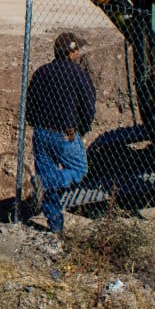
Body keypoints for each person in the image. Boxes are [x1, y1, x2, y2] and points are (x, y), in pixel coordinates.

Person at [24, 32, 96, 233]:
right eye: (77, 50)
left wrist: (37, 124)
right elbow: (89, 104)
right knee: (79, 171)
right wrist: (82, 128)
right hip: (66, 134)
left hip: (41, 133)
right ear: (71, 51)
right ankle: (46, 180)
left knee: (47, 182)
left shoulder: (41, 72)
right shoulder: (78, 74)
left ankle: (55, 227)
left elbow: (30, 104)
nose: (79, 54)